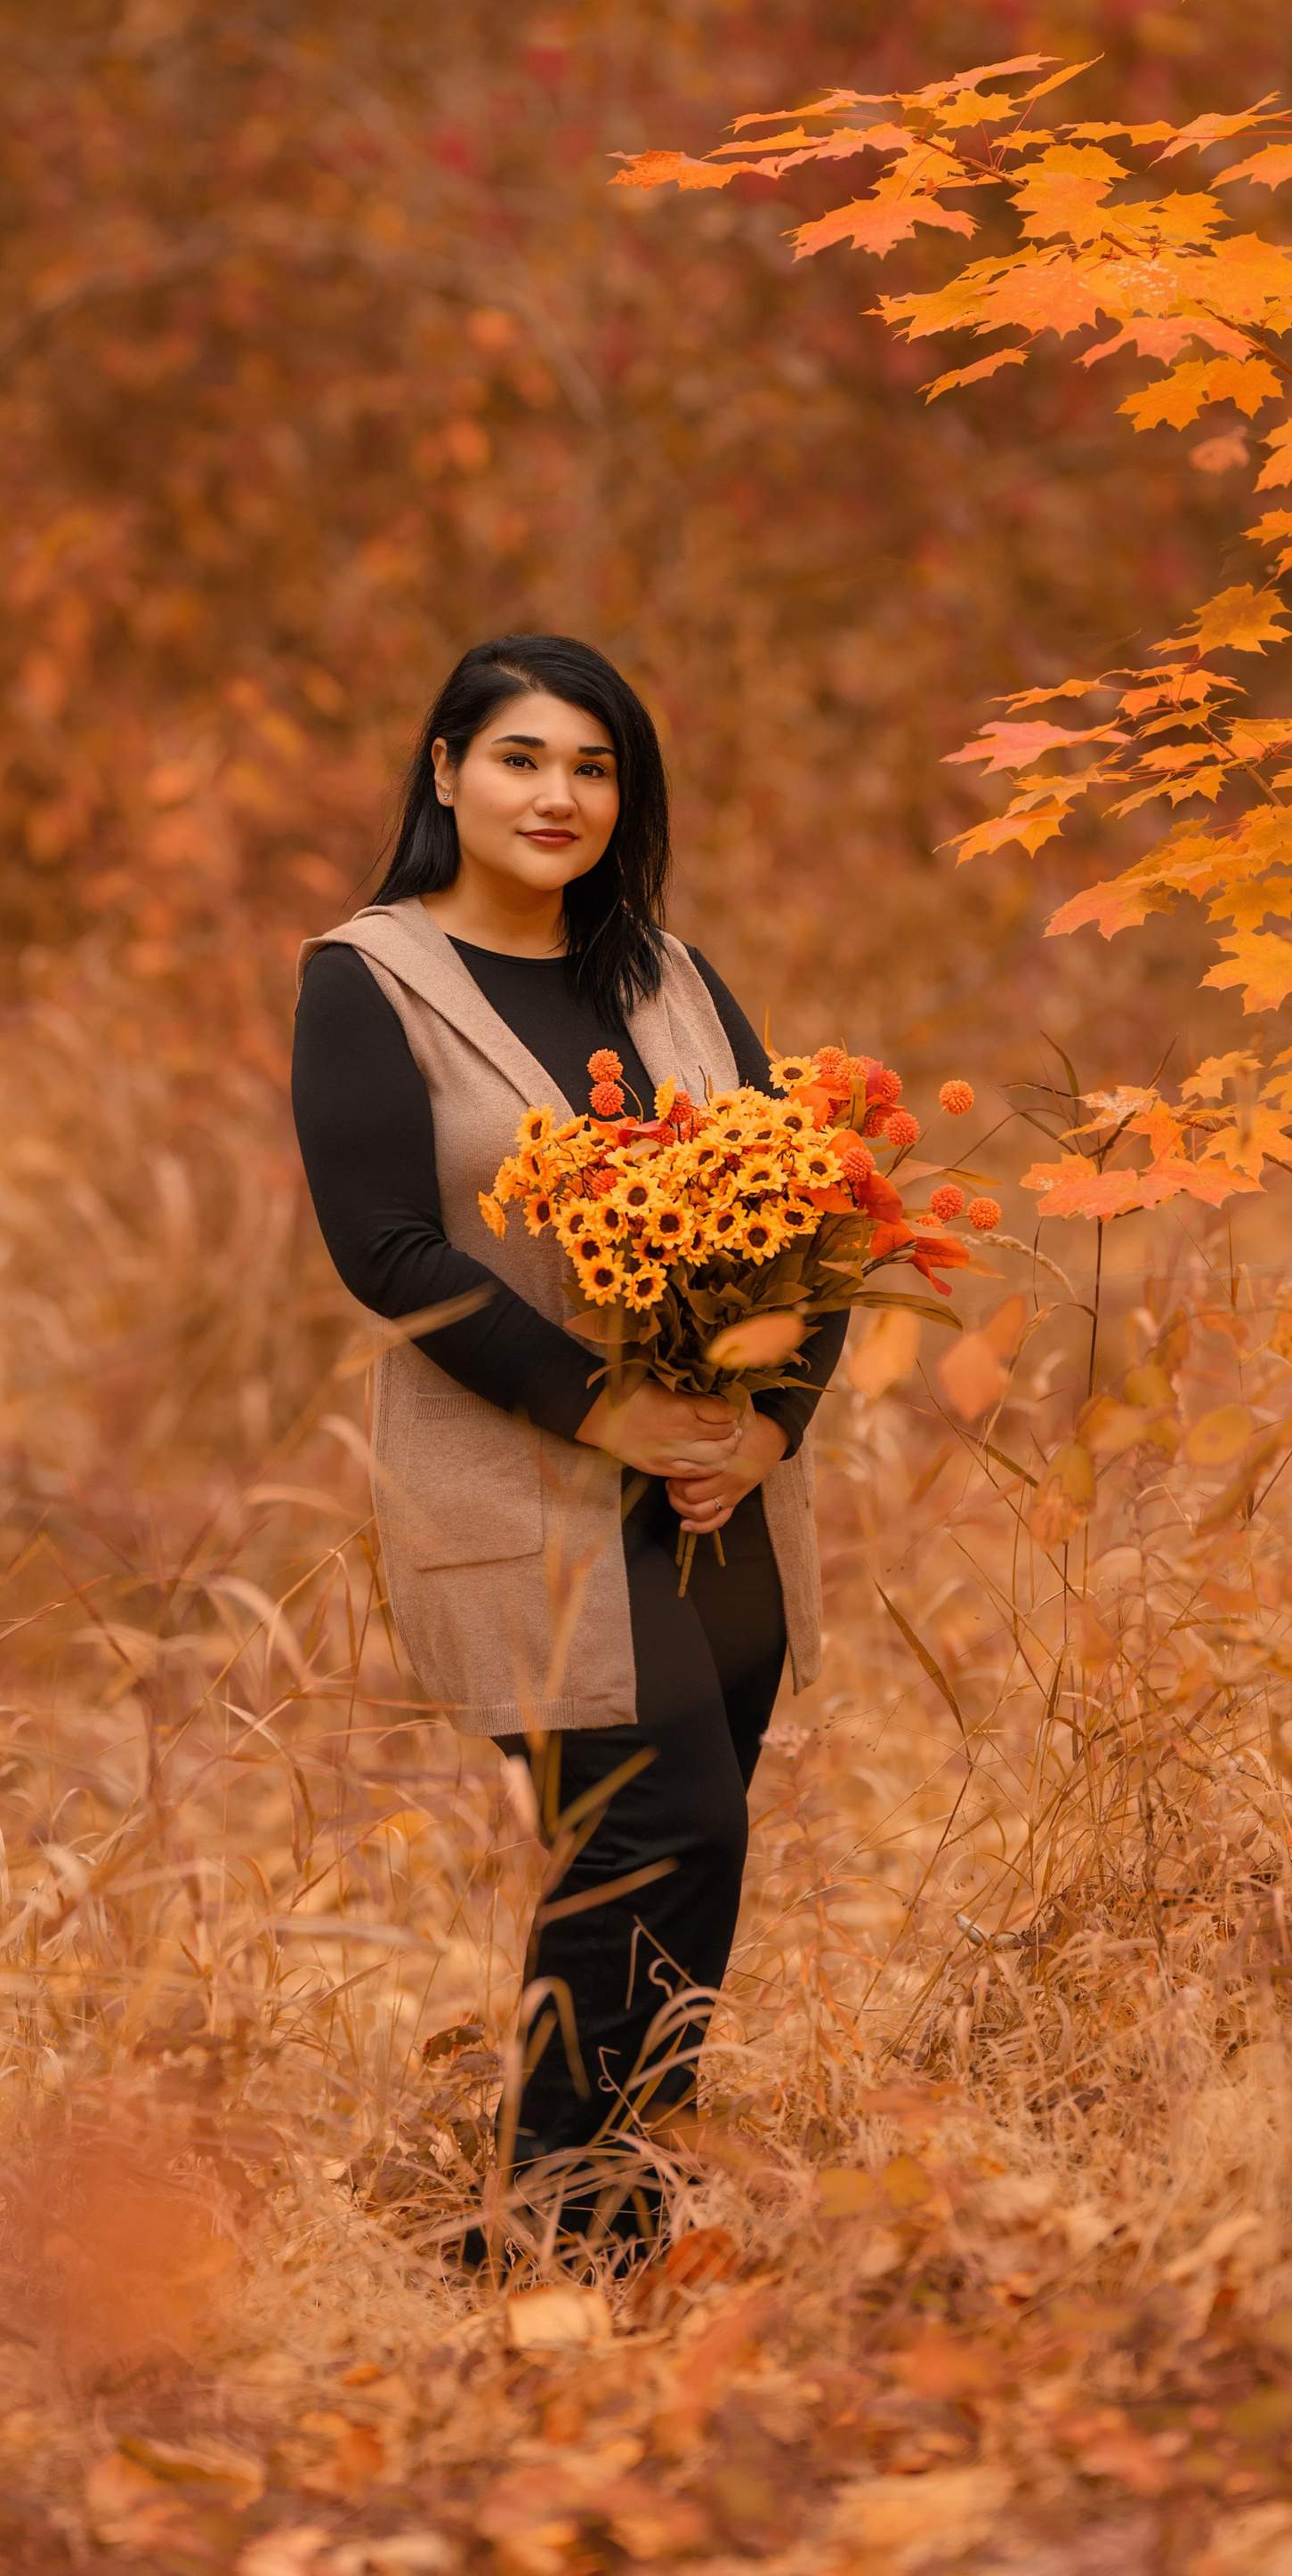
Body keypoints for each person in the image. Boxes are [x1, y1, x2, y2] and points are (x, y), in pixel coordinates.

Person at [292, 632, 842, 2254]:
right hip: (522, 1490)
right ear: (446, 769)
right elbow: (387, 1251)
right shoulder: (368, 977)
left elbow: (811, 1209)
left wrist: (760, 1426)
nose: (560, 793)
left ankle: (609, 2212)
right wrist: (617, 1410)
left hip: (720, 1492)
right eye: (523, 757)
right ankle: (543, 2228)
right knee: (663, 1829)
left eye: (594, 766)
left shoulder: (670, 971)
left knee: (675, 1868)